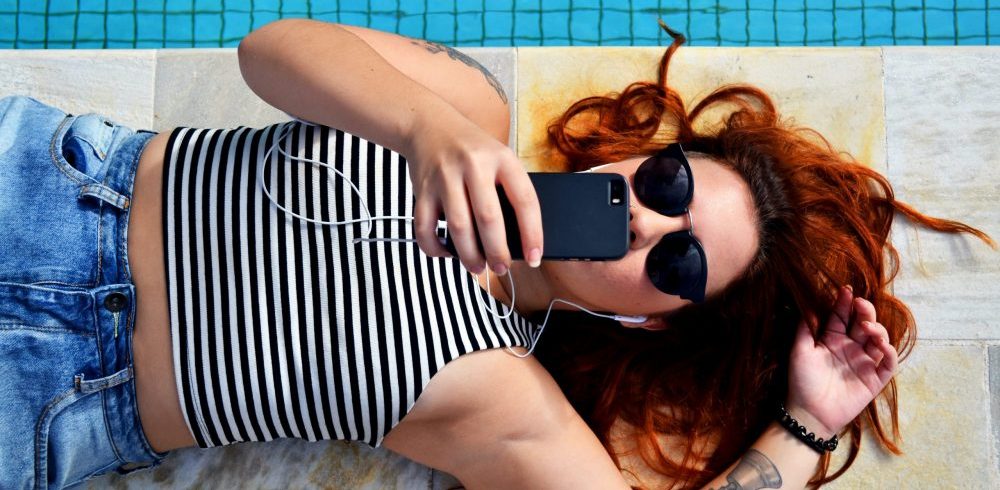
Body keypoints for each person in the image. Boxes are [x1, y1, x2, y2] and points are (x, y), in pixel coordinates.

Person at [0, 17, 992, 489]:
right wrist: (428, 130)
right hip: (53, 185)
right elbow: (271, 50)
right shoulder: (467, 106)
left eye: (680, 264)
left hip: (57, 393)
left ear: (652, 316)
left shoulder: (508, 397)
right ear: (646, 151)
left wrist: (804, 426)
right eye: (670, 185)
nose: (648, 222)